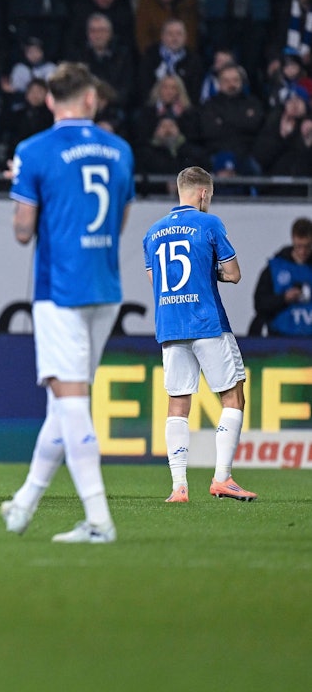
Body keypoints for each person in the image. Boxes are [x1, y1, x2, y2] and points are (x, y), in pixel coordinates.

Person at [1, 62, 134, 544]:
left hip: (59, 290)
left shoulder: (34, 151)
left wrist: (18, 187)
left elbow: (21, 231)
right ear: (92, 99)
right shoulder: (121, 151)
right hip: (105, 288)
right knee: (65, 403)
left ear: (50, 100)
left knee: (72, 402)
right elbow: (119, 221)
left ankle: (99, 520)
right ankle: (24, 503)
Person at [143, 167, 257, 504]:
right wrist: (212, 271)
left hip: (171, 326)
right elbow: (234, 274)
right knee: (233, 397)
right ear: (203, 194)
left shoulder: (152, 233)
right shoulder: (209, 224)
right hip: (207, 323)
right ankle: (223, 478)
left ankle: (179, 486)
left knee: (177, 404)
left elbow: (156, 281)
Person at [253, 217, 312, 336]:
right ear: (293, 239)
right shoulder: (275, 267)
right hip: (280, 338)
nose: (303, 251)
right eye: (299, 246)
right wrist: (284, 298)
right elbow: (259, 303)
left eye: (307, 246)